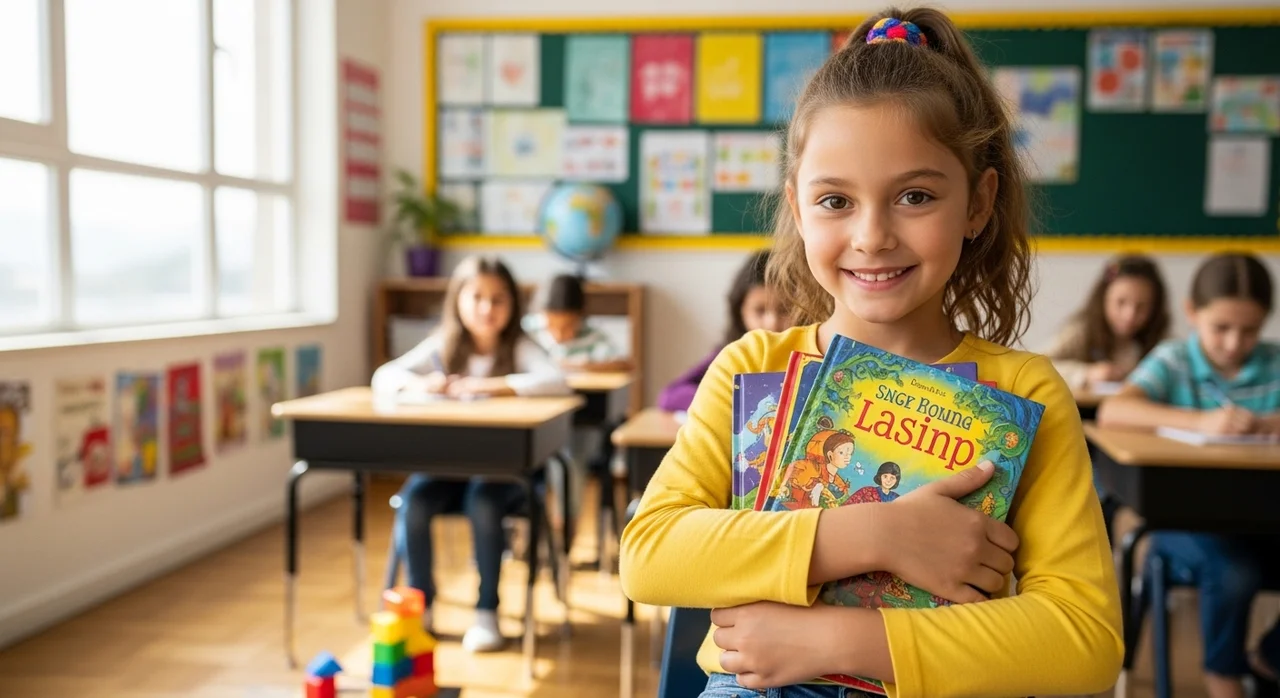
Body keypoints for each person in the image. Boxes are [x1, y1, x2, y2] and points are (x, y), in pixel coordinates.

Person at [620, 9, 1123, 697]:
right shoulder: (750, 369)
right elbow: (649, 556)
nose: (872, 235)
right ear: (797, 207)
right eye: (835, 201)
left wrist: (843, 640)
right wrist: (880, 535)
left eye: (915, 196)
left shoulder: (1027, 392)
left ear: (977, 203)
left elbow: (1084, 641)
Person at [1099, 252, 1280, 698]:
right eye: (1221, 328)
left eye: (1250, 330)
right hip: (1183, 522)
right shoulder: (1175, 360)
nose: (1234, 343)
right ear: (1192, 313)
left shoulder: (1274, 364)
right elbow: (1114, 409)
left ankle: (1271, 657)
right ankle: (1223, 675)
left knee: (1243, 565)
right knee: (1234, 572)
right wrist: (1201, 423)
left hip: (1263, 520)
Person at [372, 255, 570, 653]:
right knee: (413, 502)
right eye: (476, 297)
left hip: (509, 473)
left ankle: (486, 611)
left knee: (484, 501)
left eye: (498, 299)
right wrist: (423, 385)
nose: (486, 308)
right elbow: (385, 377)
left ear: (512, 305)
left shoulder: (520, 347)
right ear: (456, 301)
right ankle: (421, 605)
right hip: (450, 470)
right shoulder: (442, 346)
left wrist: (497, 386)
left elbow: (555, 381)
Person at [657, 249, 789, 412]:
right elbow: (669, 396)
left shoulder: (810, 352)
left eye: (784, 309)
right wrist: (728, 398)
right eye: (760, 310)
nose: (772, 324)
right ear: (740, 311)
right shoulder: (730, 352)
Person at [1045, 254, 1169, 390]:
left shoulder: (1162, 343)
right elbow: (1040, 364)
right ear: (1103, 298)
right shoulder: (1083, 330)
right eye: (1120, 302)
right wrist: (1086, 374)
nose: (1130, 315)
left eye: (1141, 306)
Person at [524, 273, 632, 373]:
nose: (558, 335)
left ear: (579, 318)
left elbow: (624, 364)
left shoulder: (592, 336)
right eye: (551, 326)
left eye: (567, 327)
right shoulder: (528, 330)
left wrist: (581, 366)